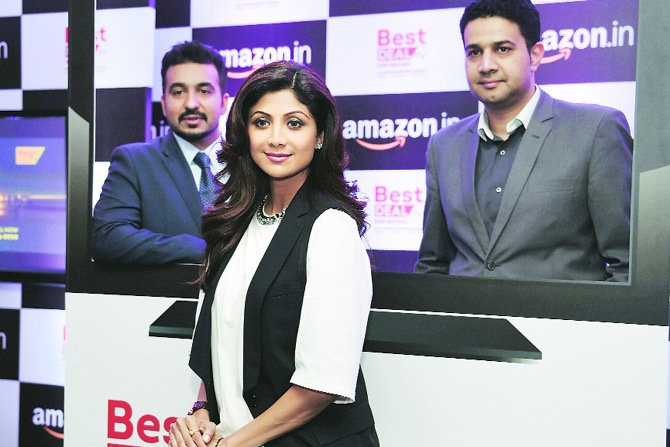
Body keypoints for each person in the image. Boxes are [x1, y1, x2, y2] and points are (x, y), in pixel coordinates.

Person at [169, 61, 379, 447]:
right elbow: (220, 343)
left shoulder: (331, 228)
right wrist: (200, 412)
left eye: (295, 123)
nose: (276, 138)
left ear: (320, 135)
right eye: (262, 122)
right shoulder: (230, 224)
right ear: (245, 132)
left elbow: (320, 385)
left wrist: (232, 444)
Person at [414, 0, 632, 281]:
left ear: (535, 55)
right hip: (462, 311)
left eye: (502, 49)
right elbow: (432, 265)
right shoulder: (444, 146)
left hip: (560, 311)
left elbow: (628, 265)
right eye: (474, 52)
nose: (486, 65)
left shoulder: (596, 131)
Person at [90, 40, 229, 265]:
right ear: (164, 104)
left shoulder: (252, 161)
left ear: (223, 103)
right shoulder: (135, 162)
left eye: (204, 91)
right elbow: (107, 237)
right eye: (178, 92)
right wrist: (198, 248)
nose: (191, 103)